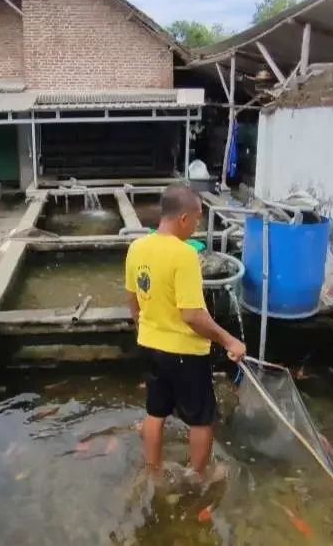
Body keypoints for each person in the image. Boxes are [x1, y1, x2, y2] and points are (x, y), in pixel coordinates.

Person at [125, 184, 246, 480]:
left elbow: (133, 298)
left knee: (155, 414)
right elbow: (192, 315)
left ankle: (152, 472)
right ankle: (196, 476)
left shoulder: (136, 248)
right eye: (197, 218)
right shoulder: (184, 255)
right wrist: (228, 339)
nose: (198, 225)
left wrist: (145, 328)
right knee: (202, 419)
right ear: (183, 218)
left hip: (151, 345)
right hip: (185, 352)